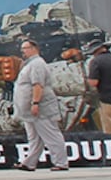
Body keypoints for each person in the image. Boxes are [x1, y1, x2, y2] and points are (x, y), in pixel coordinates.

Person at [13, 39, 69, 171]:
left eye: (25, 48)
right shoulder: (28, 64)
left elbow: (38, 85)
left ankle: (61, 162)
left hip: (41, 107)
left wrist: (35, 103)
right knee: (34, 138)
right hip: (28, 109)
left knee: (50, 134)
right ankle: (29, 163)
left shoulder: (38, 64)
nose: (23, 51)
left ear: (34, 48)